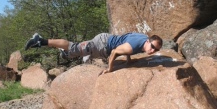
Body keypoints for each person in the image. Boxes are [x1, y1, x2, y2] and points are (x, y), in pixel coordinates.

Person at [25, 32, 163, 75]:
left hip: (104, 40)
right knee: (73, 48)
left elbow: (127, 43)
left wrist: (129, 60)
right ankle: (40, 41)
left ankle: (63, 53)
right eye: (152, 47)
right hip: (102, 45)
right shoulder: (135, 46)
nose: (152, 51)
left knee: (76, 51)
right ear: (148, 41)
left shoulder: (143, 38)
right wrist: (110, 69)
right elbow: (116, 51)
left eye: (156, 50)